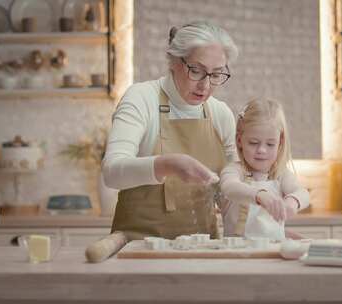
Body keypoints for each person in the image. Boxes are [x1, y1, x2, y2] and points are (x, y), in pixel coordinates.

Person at [102, 21, 239, 240]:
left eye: (216, 75)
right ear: (173, 61)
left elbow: (232, 189)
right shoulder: (141, 98)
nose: (205, 85)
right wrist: (167, 164)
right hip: (140, 248)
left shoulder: (221, 114)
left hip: (204, 250)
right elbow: (112, 172)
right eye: (196, 70)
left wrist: (247, 237)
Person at [219, 97, 310, 240]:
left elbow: (302, 193)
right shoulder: (235, 170)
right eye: (254, 143)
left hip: (273, 253)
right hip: (237, 254)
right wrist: (260, 195)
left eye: (270, 144)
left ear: (280, 143)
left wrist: (293, 201)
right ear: (239, 141)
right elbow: (230, 187)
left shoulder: (280, 174)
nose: (261, 150)